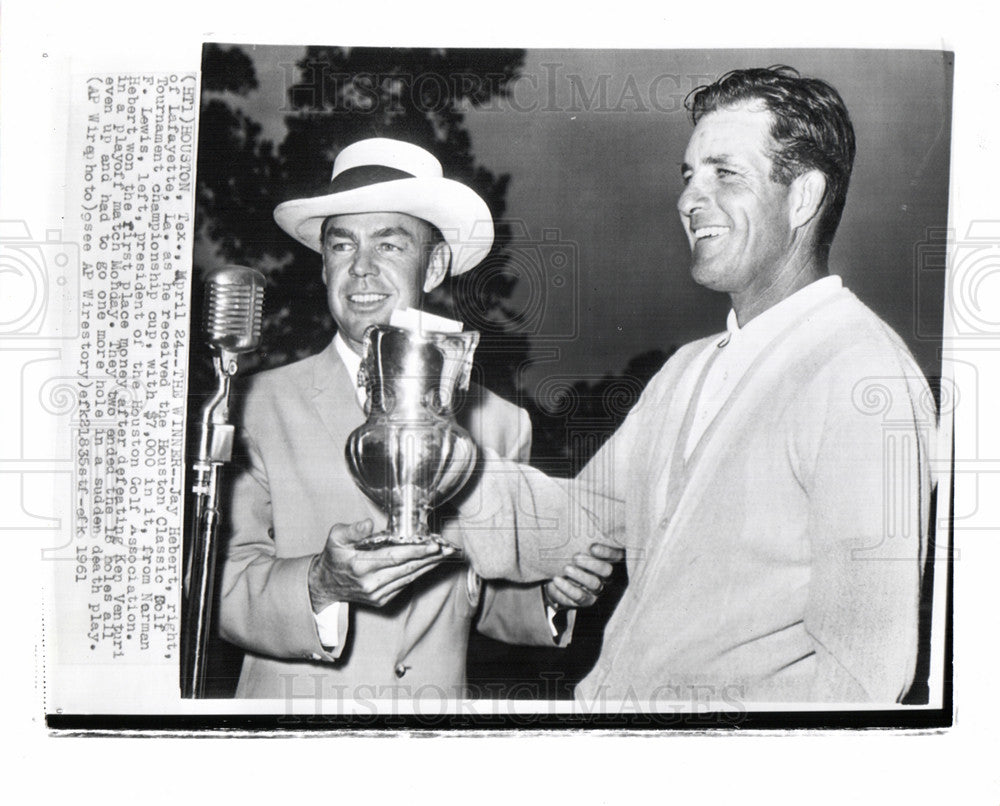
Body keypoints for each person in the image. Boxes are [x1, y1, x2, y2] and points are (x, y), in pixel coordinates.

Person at [454, 67, 934, 705]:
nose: (687, 199)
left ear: (804, 197)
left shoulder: (862, 377)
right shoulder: (684, 370)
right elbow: (573, 520)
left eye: (724, 173)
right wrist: (434, 462)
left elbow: (863, 678)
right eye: (688, 175)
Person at [217, 138, 620, 700]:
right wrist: (320, 583)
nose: (361, 268)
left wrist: (551, 594)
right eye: (342, 245)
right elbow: (220, 589)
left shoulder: (499, 424)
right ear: (323, 264)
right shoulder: (254, 405)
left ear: (432, 267)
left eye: (389, 244)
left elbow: (483, 598)